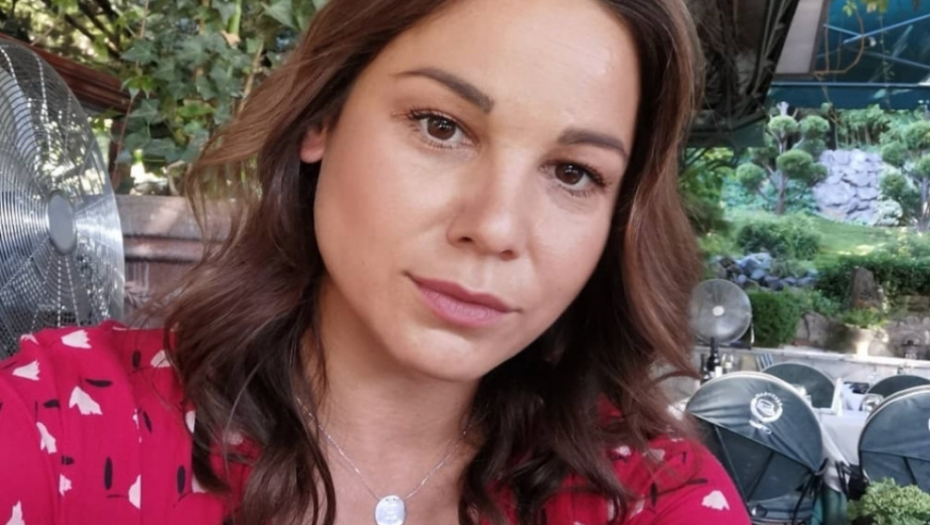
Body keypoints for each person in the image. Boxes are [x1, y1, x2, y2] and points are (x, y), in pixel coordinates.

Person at [0, 0, 751, 524]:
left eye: (573, 172)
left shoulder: (652, 497)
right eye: (441, 126)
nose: (495, 227)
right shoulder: (60, 425)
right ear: (321, 118)